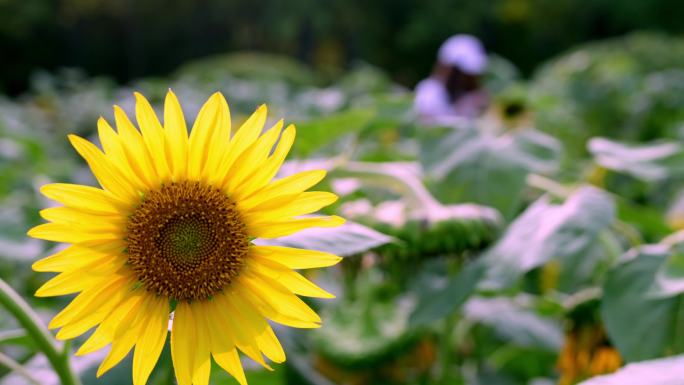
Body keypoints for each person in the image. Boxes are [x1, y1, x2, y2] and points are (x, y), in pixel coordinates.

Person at [414, 34, 490, 124]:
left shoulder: (464, 97)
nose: (469, 79)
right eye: (463, 74)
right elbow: (425, 124)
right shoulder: (429, 92)